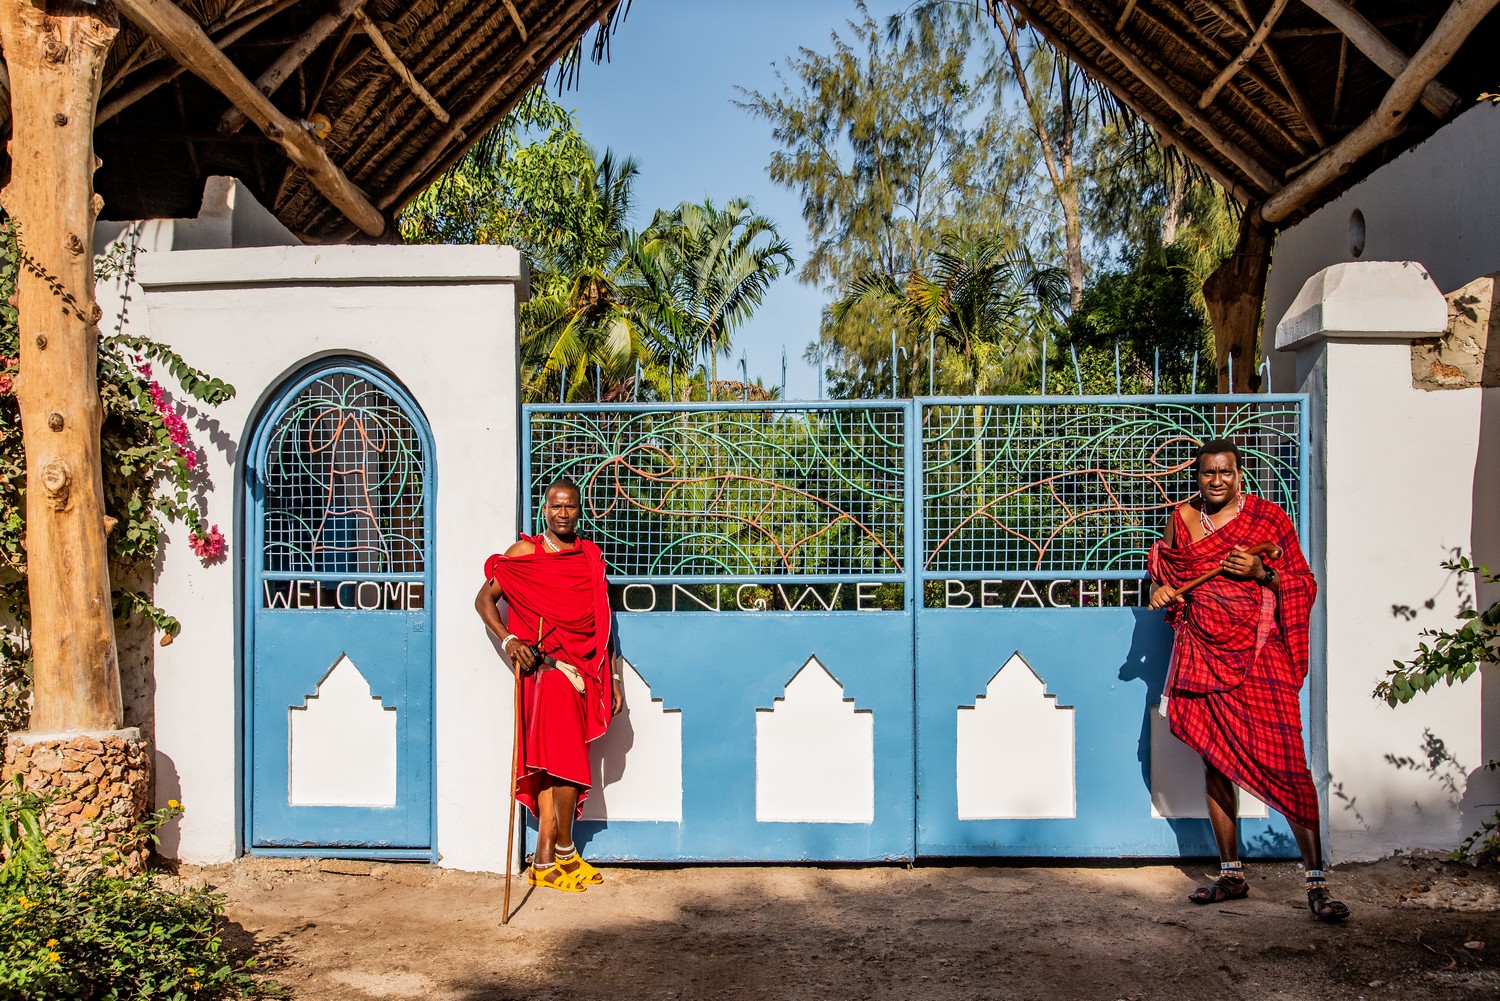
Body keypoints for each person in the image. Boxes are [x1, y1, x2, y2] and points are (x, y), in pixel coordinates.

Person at [1148, 439, 1349, 922]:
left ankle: (1317, 884)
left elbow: (1301, 583)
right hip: (1202, 651)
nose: (1216, 480)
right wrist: (1160, 591)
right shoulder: (1181, 520)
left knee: (1288, 764)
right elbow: (1167, 574)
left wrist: (1263, 572)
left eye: (1226, 473)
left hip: (1260, 655)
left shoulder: (1269, 519)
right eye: (1207, 473)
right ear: (1196, 476)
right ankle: (1232, 873)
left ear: (1240, 476)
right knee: (1216, 761)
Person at [475, 477, 622, 893]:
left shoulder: (590, 557)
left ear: (579, 510)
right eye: (556, 506)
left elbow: (604, 623)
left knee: (558, 764)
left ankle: (545, 860)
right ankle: (564, 851)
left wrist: (613, 676)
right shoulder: (525, 554)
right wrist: (508, 639)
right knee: (563, 761)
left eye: (570, 506)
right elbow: (483, 600)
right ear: (544, 509)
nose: (563, 513)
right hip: (546, 671)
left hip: (586, 669)